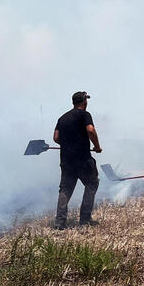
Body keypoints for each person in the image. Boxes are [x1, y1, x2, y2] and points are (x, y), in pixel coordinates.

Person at [53, 91, 103, 228]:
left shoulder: (62, 118)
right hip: (82, 160)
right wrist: (97, 146)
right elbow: (91, 130)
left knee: (65, 189)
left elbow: (56, 138)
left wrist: (68, 145)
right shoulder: (85, 115)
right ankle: (85, 219)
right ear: (84, 102)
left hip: (66, 160)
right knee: (92, 183)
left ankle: (59, 222)